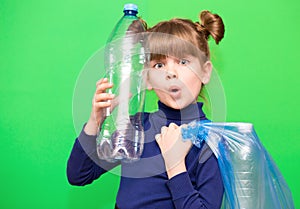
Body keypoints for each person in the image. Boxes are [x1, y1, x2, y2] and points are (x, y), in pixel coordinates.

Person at [67, 9, 225, 209]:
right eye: (159, 65)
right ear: (146, 79)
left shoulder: (210, 139)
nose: (171, 73)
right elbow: (79, 174)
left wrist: (175, 166)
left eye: (183, 62)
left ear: (205, 72)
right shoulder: (136, 126)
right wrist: (94, 122)